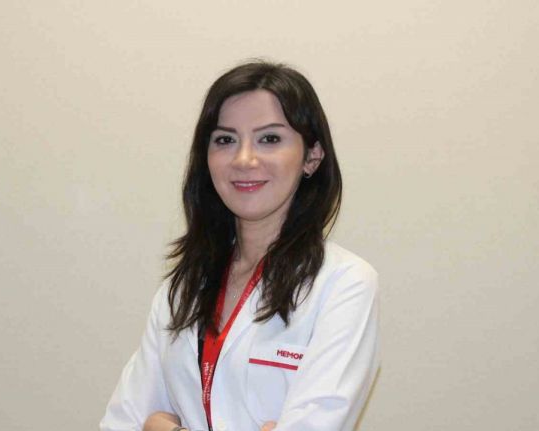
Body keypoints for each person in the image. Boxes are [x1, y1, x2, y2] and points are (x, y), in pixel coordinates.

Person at [100, 61, 379, 431]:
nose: (244, 159)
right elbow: (122, 423)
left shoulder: (345, 284)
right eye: (225, 140)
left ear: (312, 157)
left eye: (270, 139)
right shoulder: (183, 286)